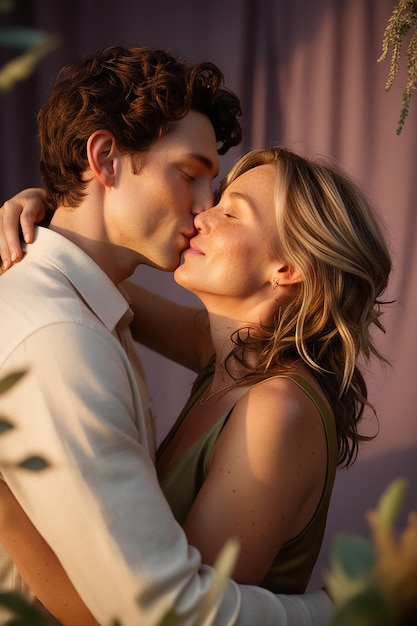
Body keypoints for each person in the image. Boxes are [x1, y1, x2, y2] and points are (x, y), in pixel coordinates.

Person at [0, 45, 337, 626]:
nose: (203, 211)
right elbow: (158, 612)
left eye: (228, 206)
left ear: (288, 269)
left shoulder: (112, 317)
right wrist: (350, 608)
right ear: (104, 159)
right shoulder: (62, 336)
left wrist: (46, 223)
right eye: (190, 175)